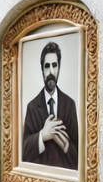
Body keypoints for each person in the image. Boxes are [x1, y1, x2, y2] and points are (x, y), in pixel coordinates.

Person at [22, 41, 79, 170]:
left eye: (54, 65)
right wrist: (43, 135)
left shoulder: (69, 105)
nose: (51, 71)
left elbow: (79, 156)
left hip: (65, 179)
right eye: (47, 66)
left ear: (59, 67)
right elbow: (23, 151)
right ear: (42, 69)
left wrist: (65, 144)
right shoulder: (32, 106)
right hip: (40, 178)